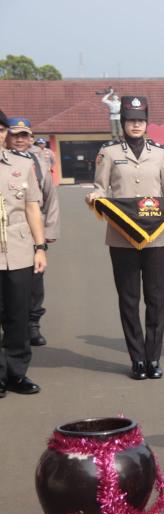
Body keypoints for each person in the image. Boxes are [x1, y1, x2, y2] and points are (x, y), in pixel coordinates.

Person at [85, 96, 164, 380]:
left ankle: (153, 357)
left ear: (146, 124)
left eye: (140, 120)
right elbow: (101, 187)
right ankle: (137, 360)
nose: (136, 125)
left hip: (156, 238)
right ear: (123, 123)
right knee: (129, 299)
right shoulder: (108, 154)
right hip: (121, 238)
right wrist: (96, 195)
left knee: (156, 299)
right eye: (131, 120)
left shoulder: (159, 154)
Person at [0, 110, 48, 397]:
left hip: (18, 249)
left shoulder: (21, 164)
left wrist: (40, 247)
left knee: (18, 315)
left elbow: (32, 208)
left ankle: (16, 374)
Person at [6, 118, 60, 347]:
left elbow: (50, 197)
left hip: (33, 231)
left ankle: (32, 325)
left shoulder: (37, 161)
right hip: (10, 231)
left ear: (30, 138)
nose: (20, 140)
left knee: (35, 282)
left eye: (24, 136)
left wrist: (49, 230)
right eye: (15, 135)